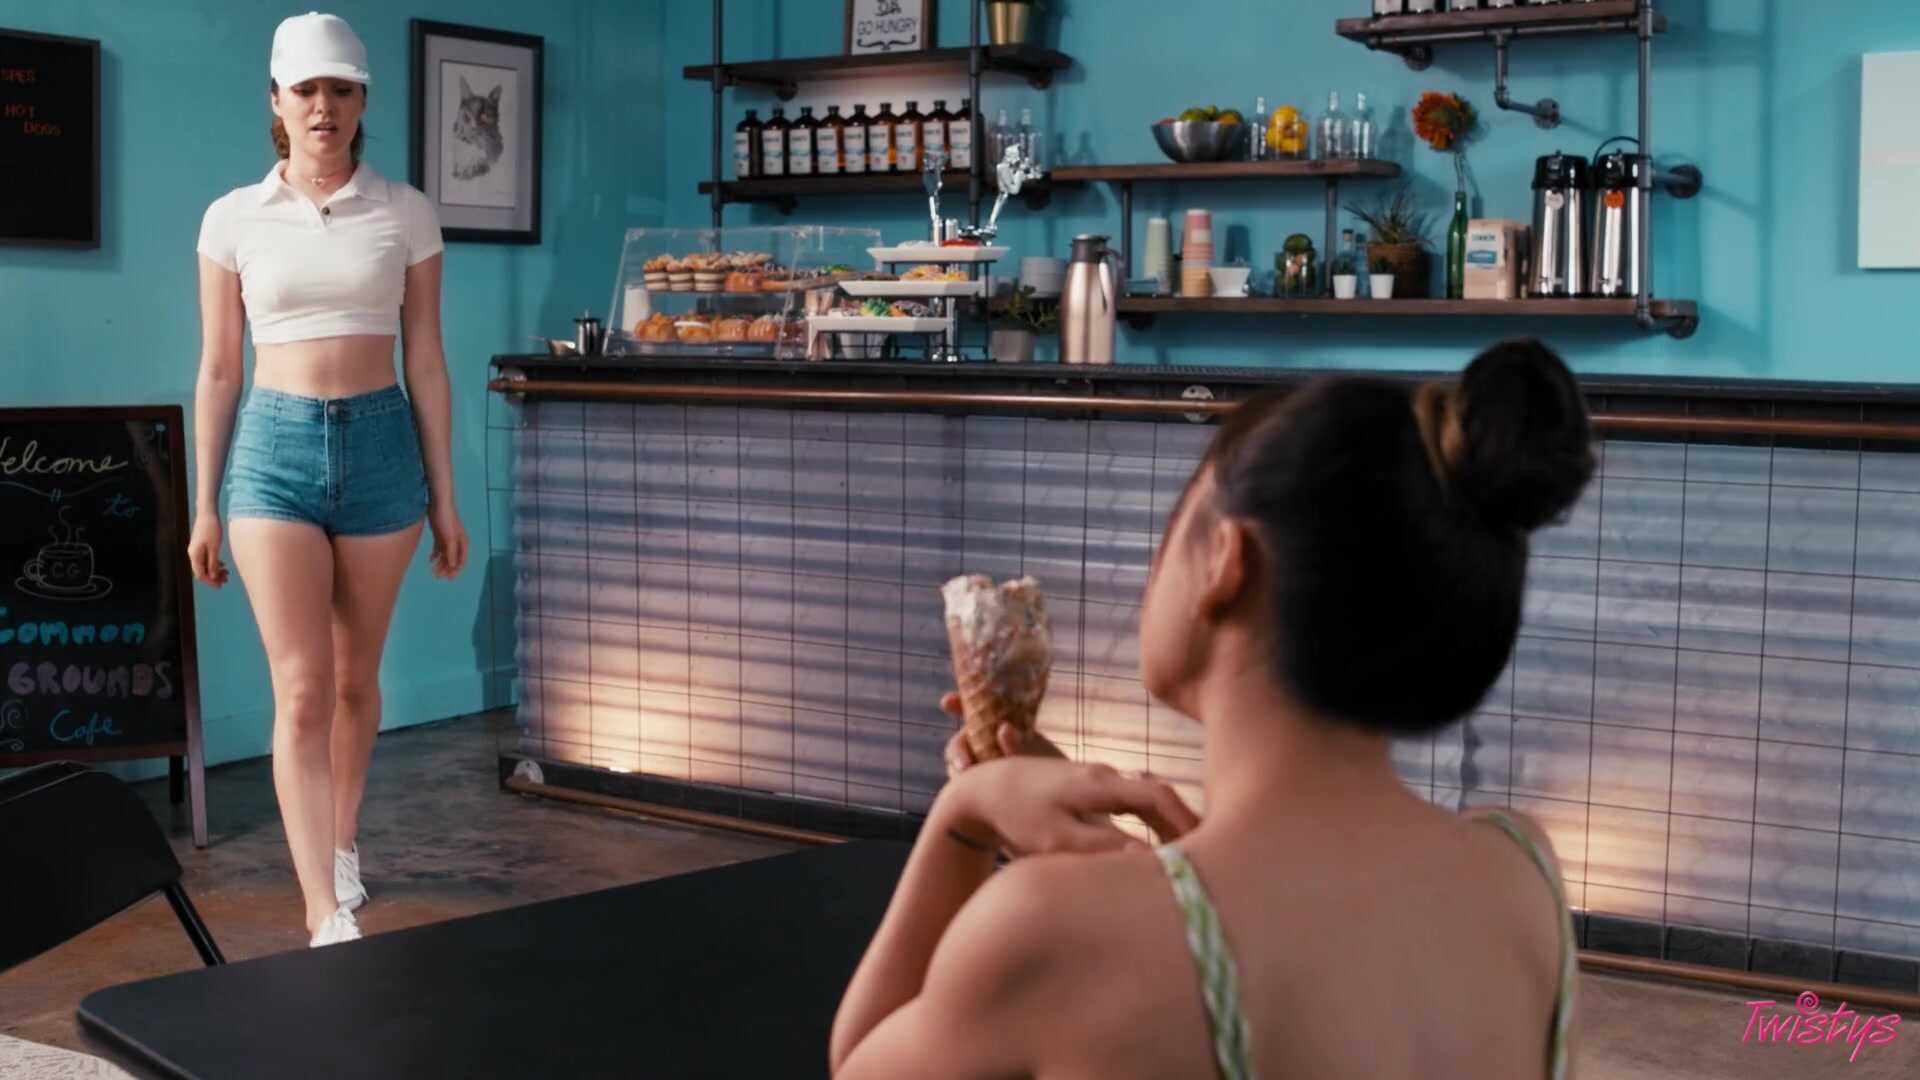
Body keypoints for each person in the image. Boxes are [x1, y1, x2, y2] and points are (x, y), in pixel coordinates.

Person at [831, 340, 1593, 1078]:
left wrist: (965, 816)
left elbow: (858, 1065)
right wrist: (1159, 874)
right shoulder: (1520, 871)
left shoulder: (1055, 930)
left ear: (1225, 562)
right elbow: (1315, 950)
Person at [187, 12, 467, 948]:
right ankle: (322, 907)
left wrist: (445, 495)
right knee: (301, 690)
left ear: (361, 100)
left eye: (340, 90)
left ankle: (342, 843)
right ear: (276, 100)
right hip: (272, 453)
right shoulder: (232, 217)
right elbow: (218, 369)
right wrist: (203, 504)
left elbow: (426, 359)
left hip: (383, 447)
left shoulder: (407, 210)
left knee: (354, 681)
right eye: (305, 90)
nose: (323, 107)